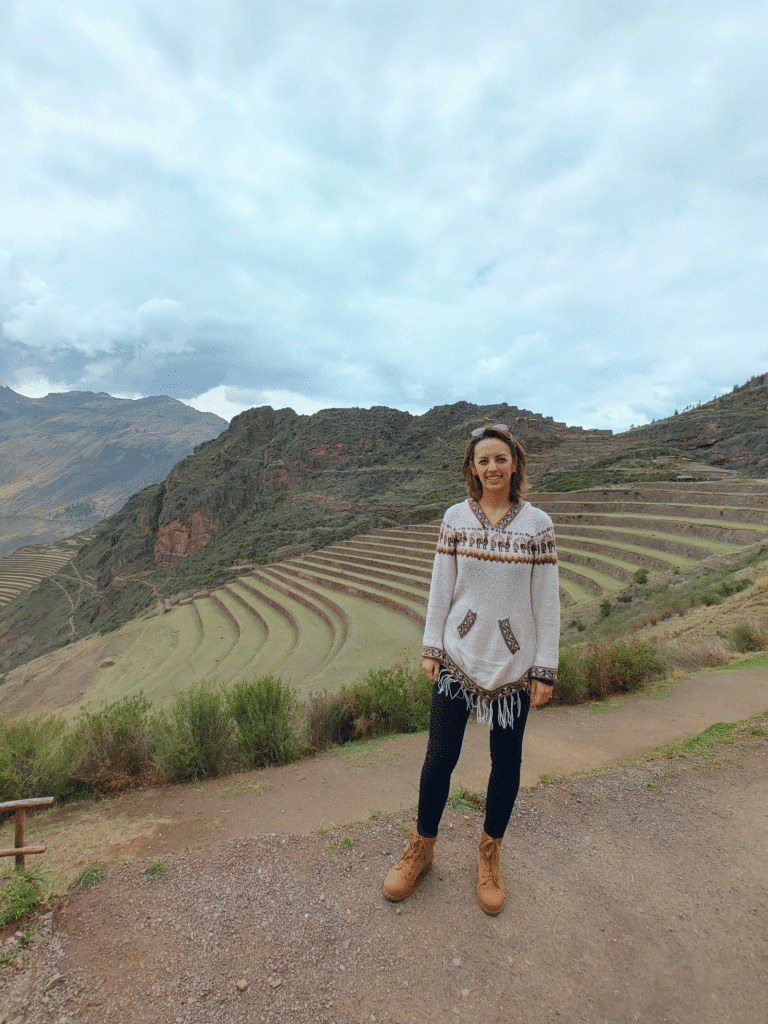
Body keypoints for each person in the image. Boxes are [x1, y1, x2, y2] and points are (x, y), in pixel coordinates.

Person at [383, 423, 560, 915]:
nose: (492, 467)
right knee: (439, 757)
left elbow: (546, 601)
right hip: (457, 658)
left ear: (515, 463)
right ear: (472, 468)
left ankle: (489, 854)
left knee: (507, 763)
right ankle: (421, 850)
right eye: (483, 460)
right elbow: (442, 585)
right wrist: (430, 646)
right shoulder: (455, 519)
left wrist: (545, 668)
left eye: (500, 459)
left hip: (514, 665)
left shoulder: (538, 526)